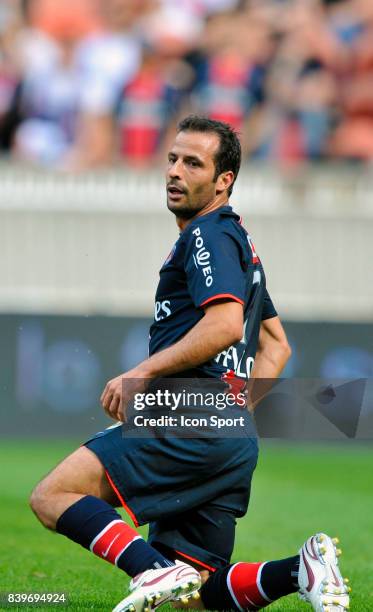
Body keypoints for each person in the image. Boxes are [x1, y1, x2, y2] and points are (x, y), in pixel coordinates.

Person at [30, 116, 349, 612]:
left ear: (224, 180)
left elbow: (225, 326)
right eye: (173, 158)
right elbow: (276, 346)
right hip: (227, 432)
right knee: (192, 601)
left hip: (186, 414)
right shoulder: (241, 245)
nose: (175, 171)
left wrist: (144, 372)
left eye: (193, 163)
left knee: (53, 496)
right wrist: (230, 413)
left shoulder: (208, 235)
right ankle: (300, 569)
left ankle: (152, 569)